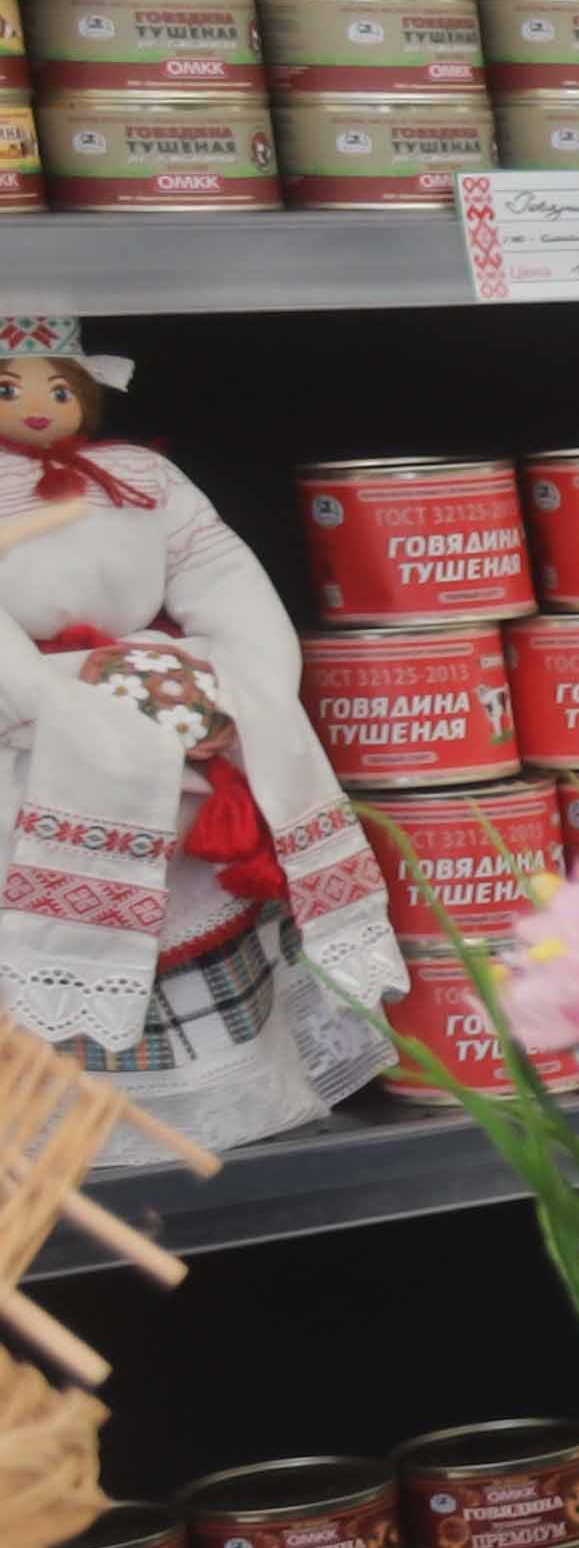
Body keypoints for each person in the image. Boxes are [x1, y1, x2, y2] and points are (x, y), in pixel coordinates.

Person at [0, 318, 408, 1156]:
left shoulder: (143, 477)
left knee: (194, 905)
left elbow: (218, 571)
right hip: (46, 747)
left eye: (60, 388)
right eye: (11, 389)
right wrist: (50, 697)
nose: (39, 408)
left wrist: (238, 681)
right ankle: (55, 1128)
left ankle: (221, 1105)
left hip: (164, 720)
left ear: (91, 395)